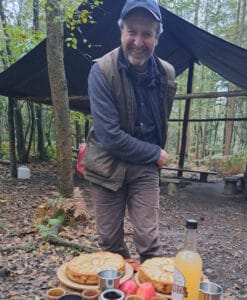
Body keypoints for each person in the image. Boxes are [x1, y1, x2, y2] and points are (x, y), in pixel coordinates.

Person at [84, 0, 177, 263]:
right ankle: (120, 289)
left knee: (149, 242)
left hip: (145, 167)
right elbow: (109, 136)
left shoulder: (166, 74)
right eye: (131, 32)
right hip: (106, 165)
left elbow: (161, 121)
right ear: (121, 32)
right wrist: (155, 152)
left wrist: (152, 157)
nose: (138, 41)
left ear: (157, 38)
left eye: (146, 33)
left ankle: (153, 286)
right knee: (110, 244)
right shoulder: (101, 71)